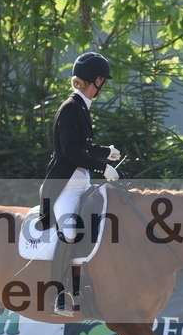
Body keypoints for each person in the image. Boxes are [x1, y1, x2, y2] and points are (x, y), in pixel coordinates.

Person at [40, 51, 122, 317]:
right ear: (95, 80)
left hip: (82, 186)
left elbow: (83, 146)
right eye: (103, 81)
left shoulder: (81, 108)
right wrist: (103, 167)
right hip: (64, 188)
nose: (104, 86)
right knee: (71, 232)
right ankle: (59, 294)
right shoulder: (70, 108)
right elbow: (70, 152)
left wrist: (104, 151)